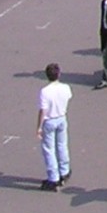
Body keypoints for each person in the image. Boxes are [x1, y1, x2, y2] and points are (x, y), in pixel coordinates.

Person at [36, 61, 72, 190]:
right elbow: (68, 98)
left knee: (49, 150)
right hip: (62, 118)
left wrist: (39, 127)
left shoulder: (45, 92)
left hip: (49, 120)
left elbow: (43, 111)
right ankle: (64, 171)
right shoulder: (65, 87)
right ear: (59, 74)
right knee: (62, 145)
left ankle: (53, 178)